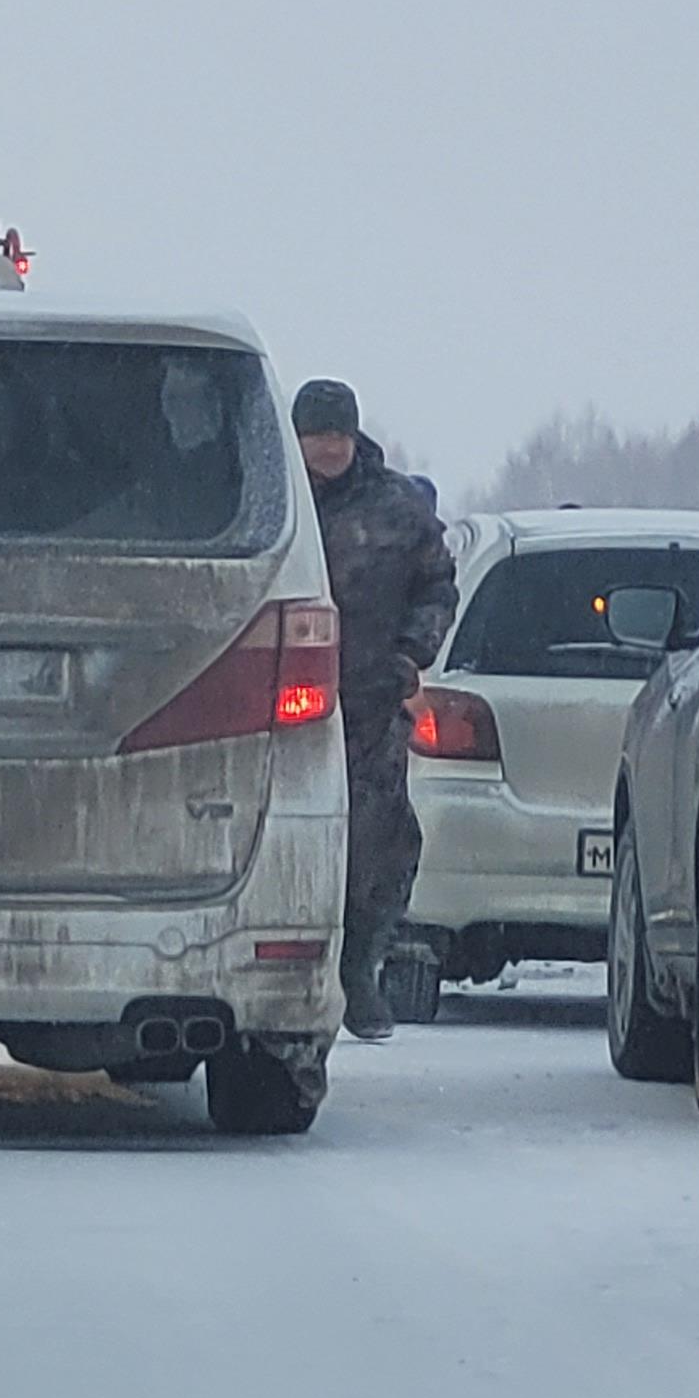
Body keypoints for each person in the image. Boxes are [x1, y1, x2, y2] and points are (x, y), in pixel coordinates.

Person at [293, 380, 456, 1041]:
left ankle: (360, 970)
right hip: (273, 705)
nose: (330, 449)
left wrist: (410, 656)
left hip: (368, 704)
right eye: (318, 436)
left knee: (378, 846)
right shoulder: (272, 499)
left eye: (339, 437)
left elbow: (437, 585)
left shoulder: (397, 508)